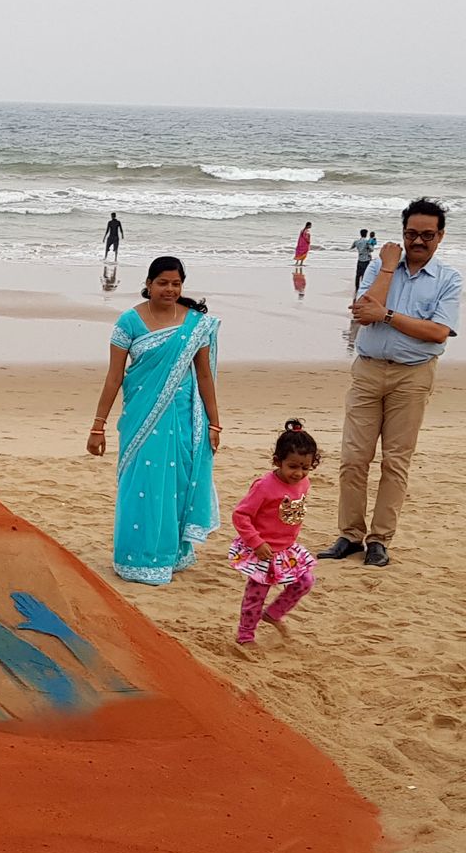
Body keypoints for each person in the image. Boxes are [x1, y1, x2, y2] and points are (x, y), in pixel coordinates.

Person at [320, 198, 461, 568]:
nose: (418, 241)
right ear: (402, 233)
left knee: (395, 461)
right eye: (412, 233)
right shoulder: (382, 269)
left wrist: (388, 315)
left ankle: (380, 539)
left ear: (440, 236)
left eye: (427, 235)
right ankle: (350, 535)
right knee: (353, 458)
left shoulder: (449, 279)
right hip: (367, 369)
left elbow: (437, 332)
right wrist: (385, 269)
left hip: (413, 376)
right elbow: (364, 313)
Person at [86, 255, 223, 585]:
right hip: (141, 416)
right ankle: (136, 557)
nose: (170, 289)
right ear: (148, 284)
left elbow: (204, 377)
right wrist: (98, 424)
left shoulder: (194, 324)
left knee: (175, 484)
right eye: (163, 282)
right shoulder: (129, 322)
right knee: (141, 483)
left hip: (184, 419)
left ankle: (170, 555)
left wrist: (215, 424)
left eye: (176, 283)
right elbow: (114, 377)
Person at [229, 421, 318, 645]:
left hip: (287, 549)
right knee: (256, 595)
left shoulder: (304, 483)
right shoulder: (264, 486)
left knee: (305, 581)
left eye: (305, 468)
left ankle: (273, 614)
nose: (299, 473)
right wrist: (256, 542)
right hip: (263, 550)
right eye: (293, 466)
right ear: (278, 461)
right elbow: (241, 515)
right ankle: (245, 636)